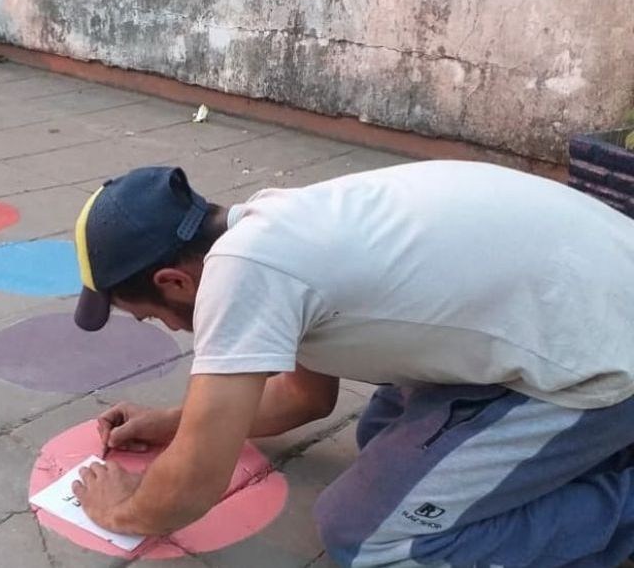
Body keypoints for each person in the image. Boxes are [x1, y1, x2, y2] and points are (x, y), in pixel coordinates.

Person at [69, 161, 634, 568]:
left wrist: (123, 509)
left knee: (370, 538)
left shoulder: (241, 273)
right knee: (381, 435)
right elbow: (304, 397)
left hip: (597, 359)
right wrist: (172, 422)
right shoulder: (273, 226)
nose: (169, 329)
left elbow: (192, 486)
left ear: (173, 281)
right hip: (585, 308)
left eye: (149, 317)